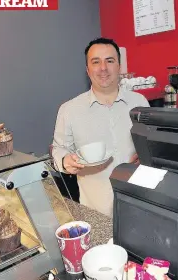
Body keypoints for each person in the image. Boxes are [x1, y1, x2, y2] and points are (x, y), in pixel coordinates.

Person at [51, 37, 150, 217]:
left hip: (141, 206)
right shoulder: (69, 110)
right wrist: (65, 161)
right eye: (96, 62)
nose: (103, 68)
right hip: (96, 213)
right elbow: (58, 150)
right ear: (88, 70)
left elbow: (151, 144)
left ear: (119, 66)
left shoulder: (140, 102)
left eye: (109, 61)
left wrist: (147, 157)